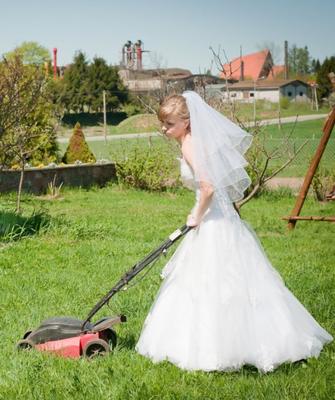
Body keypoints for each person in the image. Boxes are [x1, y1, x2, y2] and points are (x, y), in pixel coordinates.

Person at [135, 91, 333, 372]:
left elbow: (208, 187)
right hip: (220, 217)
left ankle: (219, 347)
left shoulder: (190, 145)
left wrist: (196, 215)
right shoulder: (195, 142)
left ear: (187, 123)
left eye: (169, 124)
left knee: (213, 283)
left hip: (213, 221)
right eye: (163, 124)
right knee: (233, 281)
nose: (164, 129)